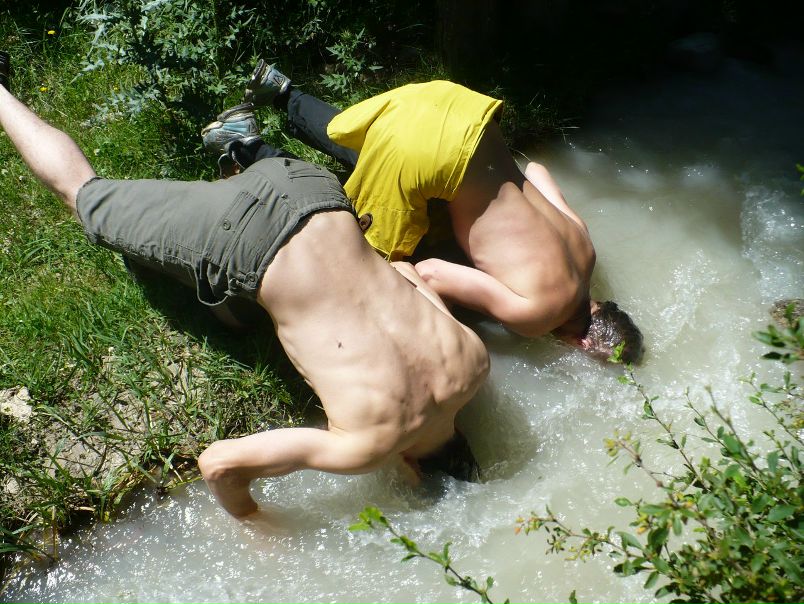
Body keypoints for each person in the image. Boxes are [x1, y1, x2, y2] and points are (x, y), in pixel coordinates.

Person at [0, 60, 490, 519]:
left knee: (241, 310)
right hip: (242, 237)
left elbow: (405, 272)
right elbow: (218, 464)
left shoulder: (473, 361)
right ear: (412, 468)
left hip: (311, 187)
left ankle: (240, 147)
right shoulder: (366, 447)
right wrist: (258, 527)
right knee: (84, 195)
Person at [201, 62, 645, 364]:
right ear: (583, 342)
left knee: (389, 153)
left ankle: (280, 89)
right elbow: (430, 273)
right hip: (428, 154)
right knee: (348, 234)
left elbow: (537, 172)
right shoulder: (539, 316)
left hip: (463, 111)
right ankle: (242, 145)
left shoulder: (585, 249)